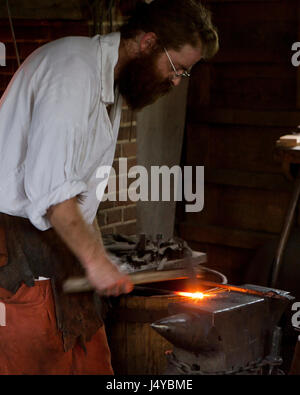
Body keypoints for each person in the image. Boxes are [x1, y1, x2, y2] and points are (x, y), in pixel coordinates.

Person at [0, 0, 218, 374]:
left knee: (94, 364)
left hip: (61, 250)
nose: (177, 80)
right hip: (18, 252)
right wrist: (97, 261)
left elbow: (80, 195)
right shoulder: (72, 71)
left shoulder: (108, 86)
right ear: (149, 43)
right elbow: (53, 193)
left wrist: (97, 253)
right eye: (177, 68)